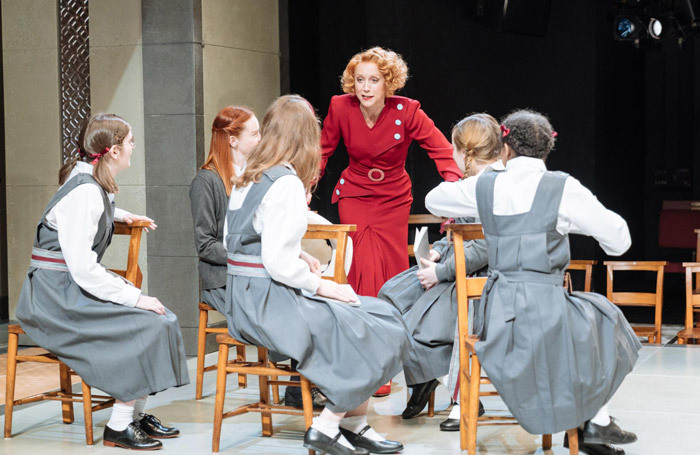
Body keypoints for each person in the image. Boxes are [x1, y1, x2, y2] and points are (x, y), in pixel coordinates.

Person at [426, 110, 641, 455]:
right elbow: (620, 241)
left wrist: (490, 180)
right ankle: (596, 419)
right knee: (605, 318)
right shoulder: (562, 187)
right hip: (545, 310)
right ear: (546, 149)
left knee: (590, 322)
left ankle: (595, 421)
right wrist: (566, 221)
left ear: (505, 147)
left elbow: (434, 198)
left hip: (495, 312)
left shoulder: (487, 184)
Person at [223, 95, 410, 455]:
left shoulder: (248, 176)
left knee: (369, 316)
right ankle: (328, 425)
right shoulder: (286, 183)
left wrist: (300, 254)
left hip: (245, 297)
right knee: (376, 322)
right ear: (306, 137)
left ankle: (354, 424)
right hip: (269, 303)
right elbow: (277, 262)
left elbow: (252, 240)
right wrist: (324, 286)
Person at [15, 113, 189, 451]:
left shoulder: (92, 181)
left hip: (67, 288)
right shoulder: (85, 191)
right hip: (53, 298)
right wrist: (134, 298)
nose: (134, 147)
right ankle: (118, 426)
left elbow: (91, 212)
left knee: (163, 318)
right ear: (113, 151)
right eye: (130, 141)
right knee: (147, 323)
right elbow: (83, 267)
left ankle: (135, 415)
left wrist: (122, 215)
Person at [320, 46, 462, 396]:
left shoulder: (407, 111)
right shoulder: (341, 106)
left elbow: (441, 150)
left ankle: (386, 356)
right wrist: (304, 185)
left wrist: (458, 193)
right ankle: (365, 358)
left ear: (389, 83)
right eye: (359, 80)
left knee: (390, 271)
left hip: (393, 199)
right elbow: (322, 150)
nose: (365, 88)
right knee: (361, 265)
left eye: (374, 80)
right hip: (354, 194)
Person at [379, 114, 501, 427]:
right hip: (455, 264)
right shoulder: (466, 186)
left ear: (461, 152)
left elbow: (485, 247)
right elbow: (463, 234)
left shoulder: (492, 187)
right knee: (392, 296)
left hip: (480, 278)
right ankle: (423, 376)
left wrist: (441, 271)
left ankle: (452, 387)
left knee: (414, 322)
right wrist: (439, 251)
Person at [190, 106, 260, 313]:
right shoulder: (206, 181)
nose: (260, 140)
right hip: (223, 279)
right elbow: (205, 244)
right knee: (272, 315)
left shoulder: (254, 176)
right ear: (232, 140)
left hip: (253, 272)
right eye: (255, 134)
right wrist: (245, 257)